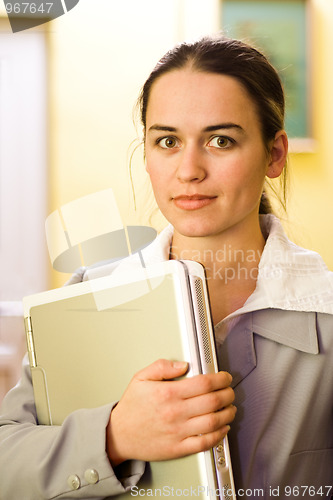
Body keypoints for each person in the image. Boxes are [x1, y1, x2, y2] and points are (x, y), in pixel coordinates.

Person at [0, 35, 332, 499]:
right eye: (168, 141)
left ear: (274, 154)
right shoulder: (88, 295)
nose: (189, 170)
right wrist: (114, 437)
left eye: (221, 140)